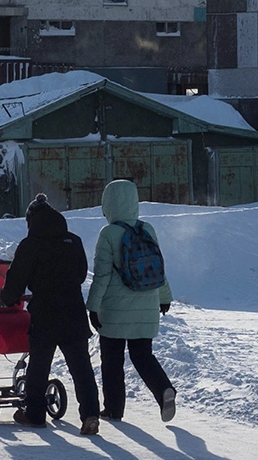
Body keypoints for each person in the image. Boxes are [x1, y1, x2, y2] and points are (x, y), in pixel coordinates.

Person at [0, 193, 101, 436]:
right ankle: (90, 414)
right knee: (81, 367)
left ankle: (35, 415)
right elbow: (80, 274)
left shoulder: (30, 245)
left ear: (31, 221)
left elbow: (15, 281)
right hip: (74, 311)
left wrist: (8, 298)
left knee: (39, 365)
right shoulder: (73, 241)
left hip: (45, 312)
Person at [85, 179, 177, 423]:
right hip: (147, 305)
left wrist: (92, 307)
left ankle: (114, 409)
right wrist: (165, 297)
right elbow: (159, 268)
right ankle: (164, 390)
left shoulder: (108, 234)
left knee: (112, 360)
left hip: (114, 311)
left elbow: (102, 276)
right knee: (142, 355)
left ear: (109, 204)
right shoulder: (147, 230)